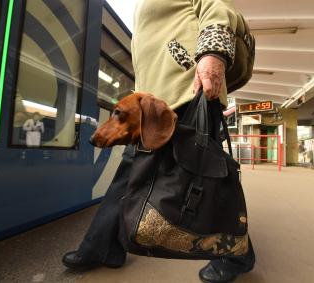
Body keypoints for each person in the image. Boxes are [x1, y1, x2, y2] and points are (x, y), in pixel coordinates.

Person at [62, 0, 255, 282]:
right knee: (129, 176)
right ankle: (102, 246)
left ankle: (236, 254)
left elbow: (217, 6)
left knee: (208, 176)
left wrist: (213, 54)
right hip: (151, 106)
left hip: (189, 92)